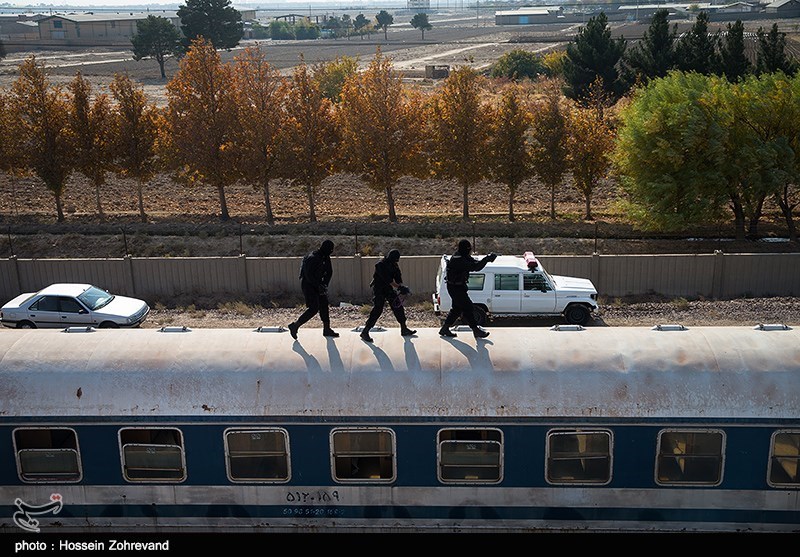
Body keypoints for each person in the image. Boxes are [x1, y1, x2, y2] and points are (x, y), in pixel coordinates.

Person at [439, 239, 497, 339]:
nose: (470, 252)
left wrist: (486, 258)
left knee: (456, 309)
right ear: (466, 249)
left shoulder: (462, 256)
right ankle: (475, 330)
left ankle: (445, 328)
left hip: (458, 286)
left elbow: (474, 262)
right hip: (455, 287)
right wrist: (486, 259)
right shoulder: (458, 260)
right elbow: (475, 267)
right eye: (469, 249)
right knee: (468, 307)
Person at [360, 249, 416, 342]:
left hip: (388, 289)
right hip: (379, 289)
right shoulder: (380, 265)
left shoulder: (394, 264)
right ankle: (365, 332)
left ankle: (404, 328)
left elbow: (398, 277)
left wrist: (402, 287)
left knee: (398, 307)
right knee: (377, 310)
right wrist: (398, 287)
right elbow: (388, 280)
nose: (396, 262)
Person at [287, 239, 339, 339]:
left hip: (319, 284)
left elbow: (329, 272)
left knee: (324, 305)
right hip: (308, 285)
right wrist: (318, 285)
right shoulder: (313, 258)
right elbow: (308, 275)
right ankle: (295, 326)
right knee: (313, 308)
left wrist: (324, 285)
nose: (331, 252)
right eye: (330, 250)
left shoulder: (325, 257)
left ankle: (327, 329)